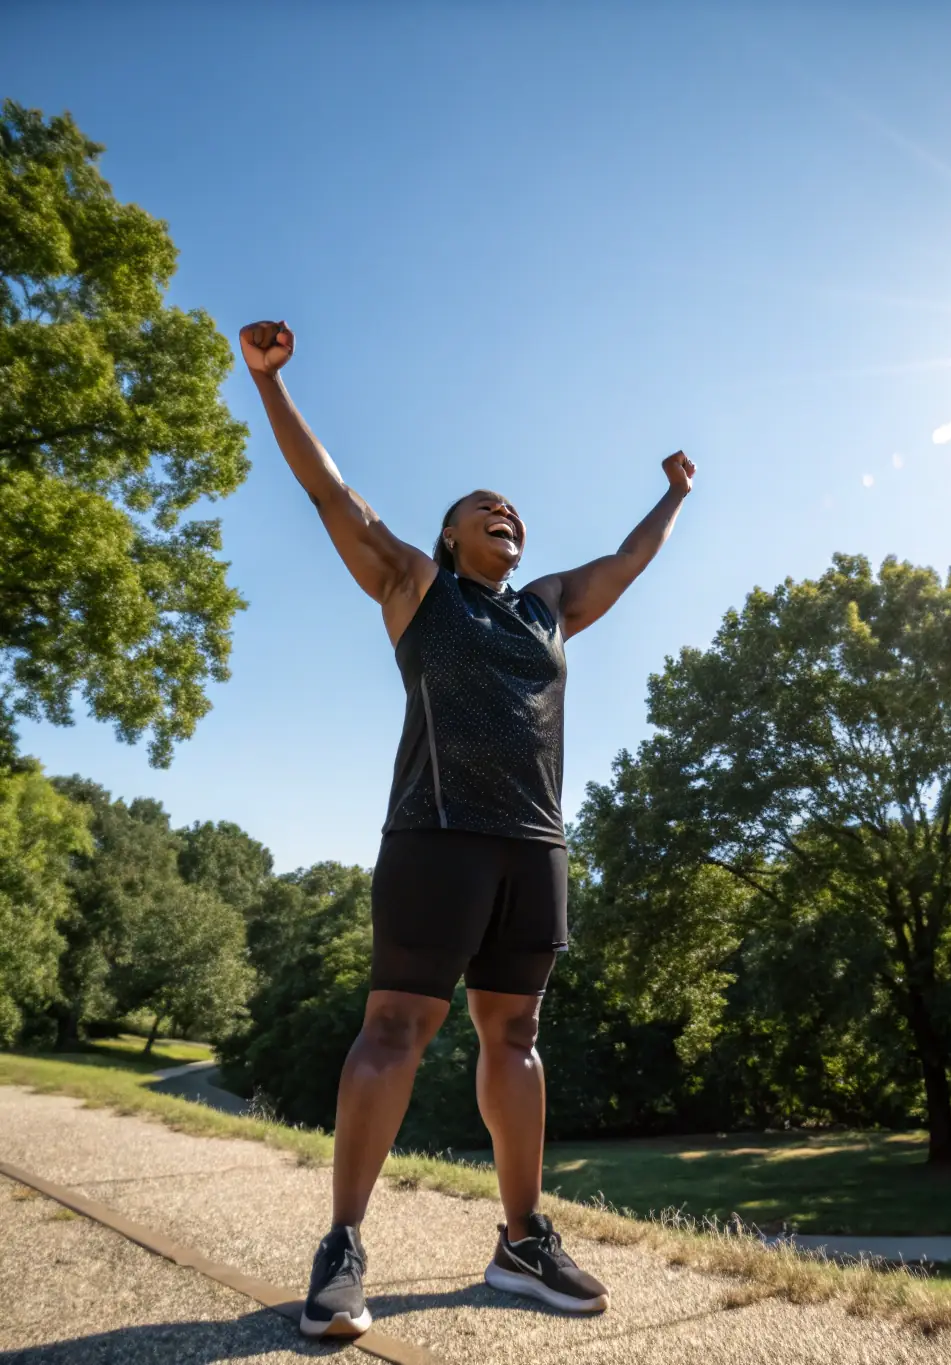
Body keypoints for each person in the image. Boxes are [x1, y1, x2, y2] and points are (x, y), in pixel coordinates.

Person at [239, 319, 697, 1339]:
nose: (506, 512)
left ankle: (521, 1239)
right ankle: (342, 1245)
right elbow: (331, 495)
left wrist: (674, 493)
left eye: (516, 510)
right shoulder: (416, 587)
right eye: (484, 506)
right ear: (448, 536)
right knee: (395, 1030)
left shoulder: (547, 607)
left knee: (516, 1035)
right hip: (435, 834)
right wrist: (268, 383)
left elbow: (627, 561)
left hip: (533, 847)